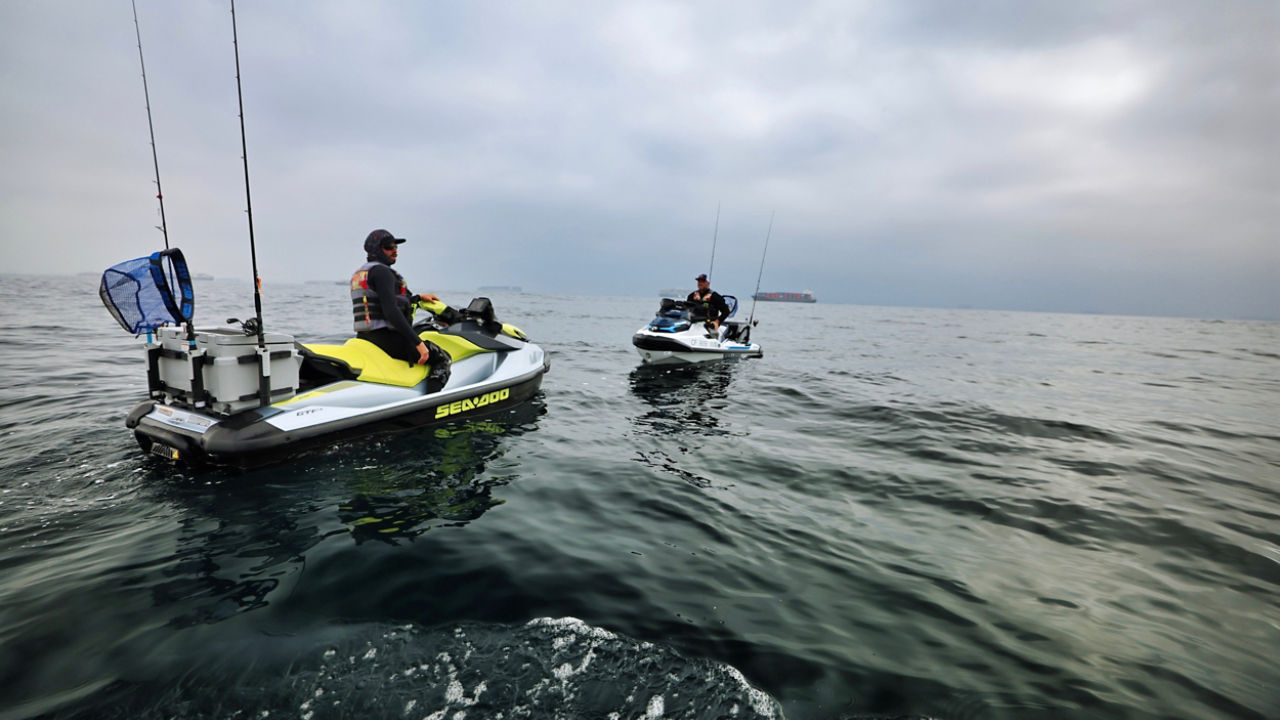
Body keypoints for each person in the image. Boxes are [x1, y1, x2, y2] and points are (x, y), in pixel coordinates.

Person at [351, 229, 440, 365]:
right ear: (376, 250)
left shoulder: (362, 273)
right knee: (441, 357)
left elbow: (381, 300)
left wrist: (419, 298)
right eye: (389, 247)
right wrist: (417, 343)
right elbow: (391, 310)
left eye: (395, 246)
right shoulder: (383, 272)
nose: (395, 251)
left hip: (365, 338)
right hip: (388, 341)